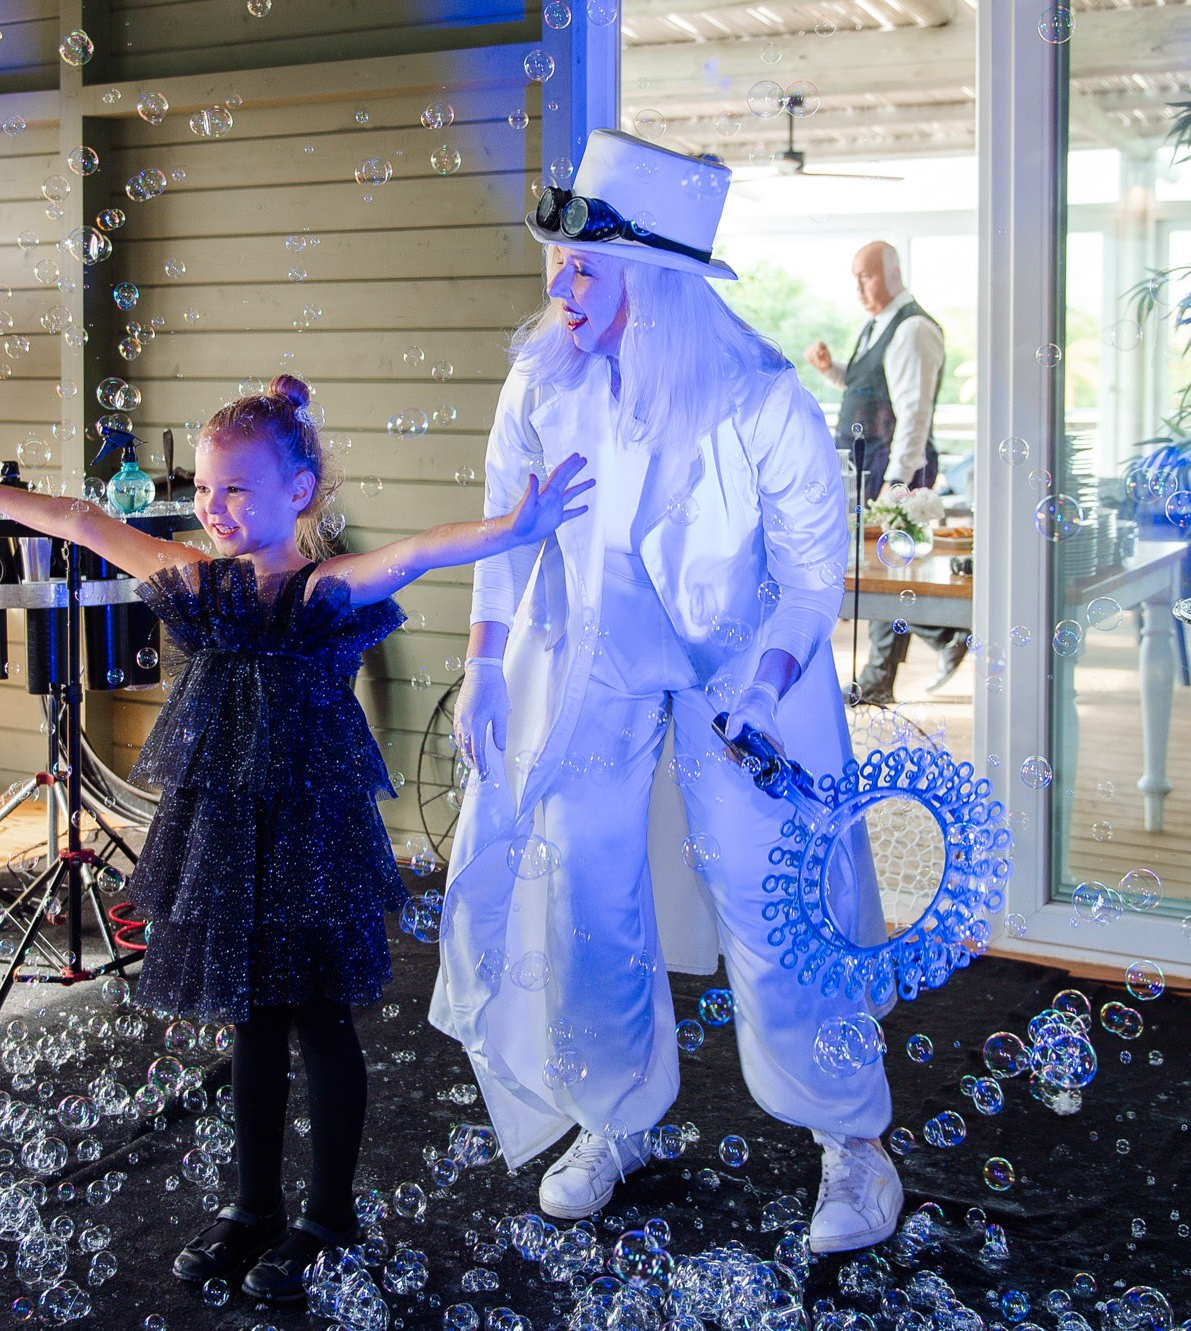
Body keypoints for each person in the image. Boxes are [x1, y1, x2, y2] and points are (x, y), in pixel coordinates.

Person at [0, 380, 591, 1301]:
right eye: (206, 489)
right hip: (228, 843)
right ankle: (253, 1208)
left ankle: (327, 1216)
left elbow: (414, 551)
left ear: (300, 489)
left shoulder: (325, 588)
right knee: (250, 1024)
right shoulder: (200, 584)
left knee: (319, 1023)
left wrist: (515, 528)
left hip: (313, 840)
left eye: (237, 489)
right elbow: (86, 520)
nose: (213, 507)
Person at [430, 129, 903, 1256]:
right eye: (557, 262)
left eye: (584, 267)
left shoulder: (756, 397)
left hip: (747, 661)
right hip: (593, 652)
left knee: (772, 891)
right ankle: (610, 1111)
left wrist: (767, 683)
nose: (561, 285)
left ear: (656, 279)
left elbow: (806, 573)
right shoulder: (541, 376)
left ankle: (851, 1141)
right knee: (580, 879)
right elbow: (506, 533)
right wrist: (485, 661)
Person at [805, 241, 966, 705]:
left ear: (894, 273)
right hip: (871, 465)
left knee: (883, 571)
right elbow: (870, 390)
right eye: (855, 275)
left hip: (892, 468)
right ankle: (881, 677)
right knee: (882, 567)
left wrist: (896, 482)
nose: (859, 284)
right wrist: (831, 370)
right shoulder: (877, 325)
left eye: (868, 274)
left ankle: (943, 634)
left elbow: (913, 414)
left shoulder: (913, 328)